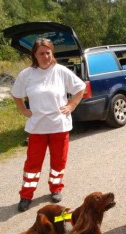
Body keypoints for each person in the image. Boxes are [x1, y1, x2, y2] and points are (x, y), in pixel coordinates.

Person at [11, 38, 86, 212]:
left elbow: (80, 87)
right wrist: (23, 110)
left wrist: (72, 105)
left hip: (59, 126)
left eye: (48, 53)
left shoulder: (60, 71)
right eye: (41, 53)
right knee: (32, 165)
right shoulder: (27, 74)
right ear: (34, 55)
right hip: (37, 128)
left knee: (58, 161)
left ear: (52, 53)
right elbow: (16, 94)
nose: (45, 56)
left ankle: (56, 188)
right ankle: (26, 195)